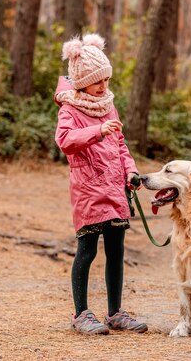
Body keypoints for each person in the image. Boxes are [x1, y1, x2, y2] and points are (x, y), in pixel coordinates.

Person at [54, 33, 147, 335]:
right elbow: (65, 141)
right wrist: (98, 130)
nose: (103, 87)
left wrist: (130, 173)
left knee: (117, 251)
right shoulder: (70, 109)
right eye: (97, 82)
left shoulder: (109, 107)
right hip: (89, 192)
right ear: (81, 81)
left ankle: (115, 312)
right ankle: (81, 313)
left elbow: (121, 146)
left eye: (106, 80)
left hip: (115, 191)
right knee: (87, 251)